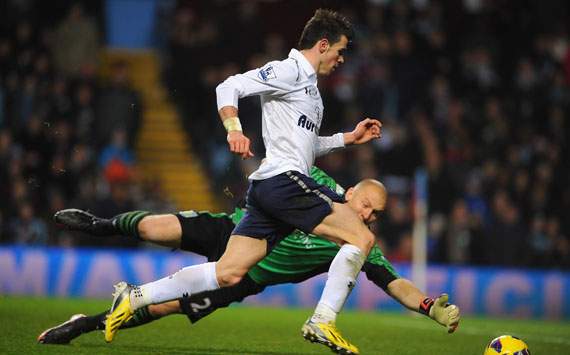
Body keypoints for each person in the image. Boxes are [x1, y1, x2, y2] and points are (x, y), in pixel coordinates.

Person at [106, 9, 383, 354]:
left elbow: (306, 148)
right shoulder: (290, 69)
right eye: (340, 51)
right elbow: (230, 86)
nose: (342, 59)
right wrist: (234, 130)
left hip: (272, 188)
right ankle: (323, 320)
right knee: (360, 235)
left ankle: (134, 296)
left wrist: (347, 138)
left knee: (227, 274)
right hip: (285, 182)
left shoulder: (311, 90)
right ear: (323, 45)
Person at [40, 167, 460, 348]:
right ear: (350, 193)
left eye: (376, 215)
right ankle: (99, 224)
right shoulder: (315, 181)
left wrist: (428, 307)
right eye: (367, 206)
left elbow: (394, 283)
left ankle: (85, 324)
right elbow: (275, 172)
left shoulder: (358, 247)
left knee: (166, 306)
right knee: (155, 227)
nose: (369, 217)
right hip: (237, 230)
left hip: (246, 278)